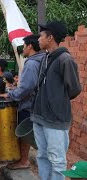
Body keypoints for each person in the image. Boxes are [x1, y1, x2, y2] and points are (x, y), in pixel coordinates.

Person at [31, 21, 81, 180]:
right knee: (42, 156)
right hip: (39, 116)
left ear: (50, 37)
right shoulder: (45, 58)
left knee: (57, 160)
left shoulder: (65, 60)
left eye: (41, 36)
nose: (38, 39)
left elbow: (74, 89)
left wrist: (55, 102)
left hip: (55, 119)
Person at [0, 34, 44, 170]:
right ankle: (24, 159)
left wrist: (11, 94)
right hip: (37, 104)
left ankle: (23, 161)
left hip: (29, 104)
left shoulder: (31, 63)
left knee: (24, 134)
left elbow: (27, 87)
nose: (22, 49)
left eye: (23, 46)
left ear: (30, 46)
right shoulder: (42, 60)